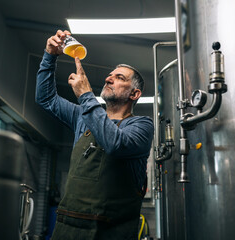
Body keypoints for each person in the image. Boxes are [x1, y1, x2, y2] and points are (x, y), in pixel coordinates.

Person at [35, 30, 154, 240]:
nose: (109, 79)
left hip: (108, 233)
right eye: (110, 75)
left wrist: (85, 95)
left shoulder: (141, 125)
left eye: (119, 78)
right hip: (66, 230)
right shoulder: (83, 116)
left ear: (134, 94)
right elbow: (46, 99)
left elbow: (115, 143)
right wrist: (50, 56)